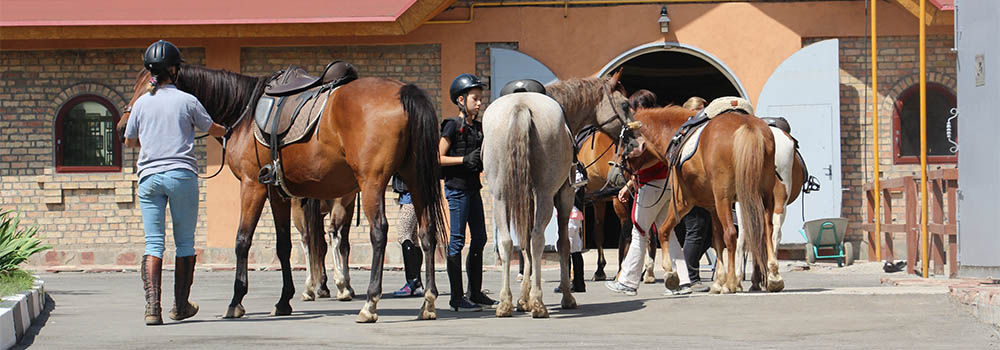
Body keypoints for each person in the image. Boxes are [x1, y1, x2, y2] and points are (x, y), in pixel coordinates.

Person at [124, 40, 227, 325]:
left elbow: (129, 139)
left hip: (149, 179)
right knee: (184, 243)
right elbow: (211, 128)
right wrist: (229, 130)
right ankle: (180, 306)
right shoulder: (187, 100)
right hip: (181, 175)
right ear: (174, 70)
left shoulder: (141, 103)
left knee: (153, 243)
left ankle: (152, 309)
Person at [605, 138, 693, 297]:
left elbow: (639, 159)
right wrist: (629, 186)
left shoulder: (643, 136)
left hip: (650, 186)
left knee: (639, 233)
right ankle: (682, 280)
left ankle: (628, 281)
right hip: (666, 184)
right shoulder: (660, 137)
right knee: (667, 233)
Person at [440, 73, 497, 311]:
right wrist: (464, 159)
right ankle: (456, 297)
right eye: (475, 98)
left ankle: (475, 292)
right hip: (456, 190)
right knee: (457, 241)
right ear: (461, 100)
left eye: (480, 98)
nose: (479, 102)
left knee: (481, 238)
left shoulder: (479, 128)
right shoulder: (452, 125)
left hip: (473, 189)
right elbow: (438, 157)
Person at [672, 96, 714, 293]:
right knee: (695, 231)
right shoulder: (688, 132)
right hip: (690, 190)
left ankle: (685, 270)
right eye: (701, 109)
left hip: (700, 191)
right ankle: (690, 277)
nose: (704, 112)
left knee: (704, 235)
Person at [390, 174, 424, 297]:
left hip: (412, 195)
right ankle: (417, 283)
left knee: (403, 234)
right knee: (413, 238)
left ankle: (412, 282)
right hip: (407, 194)